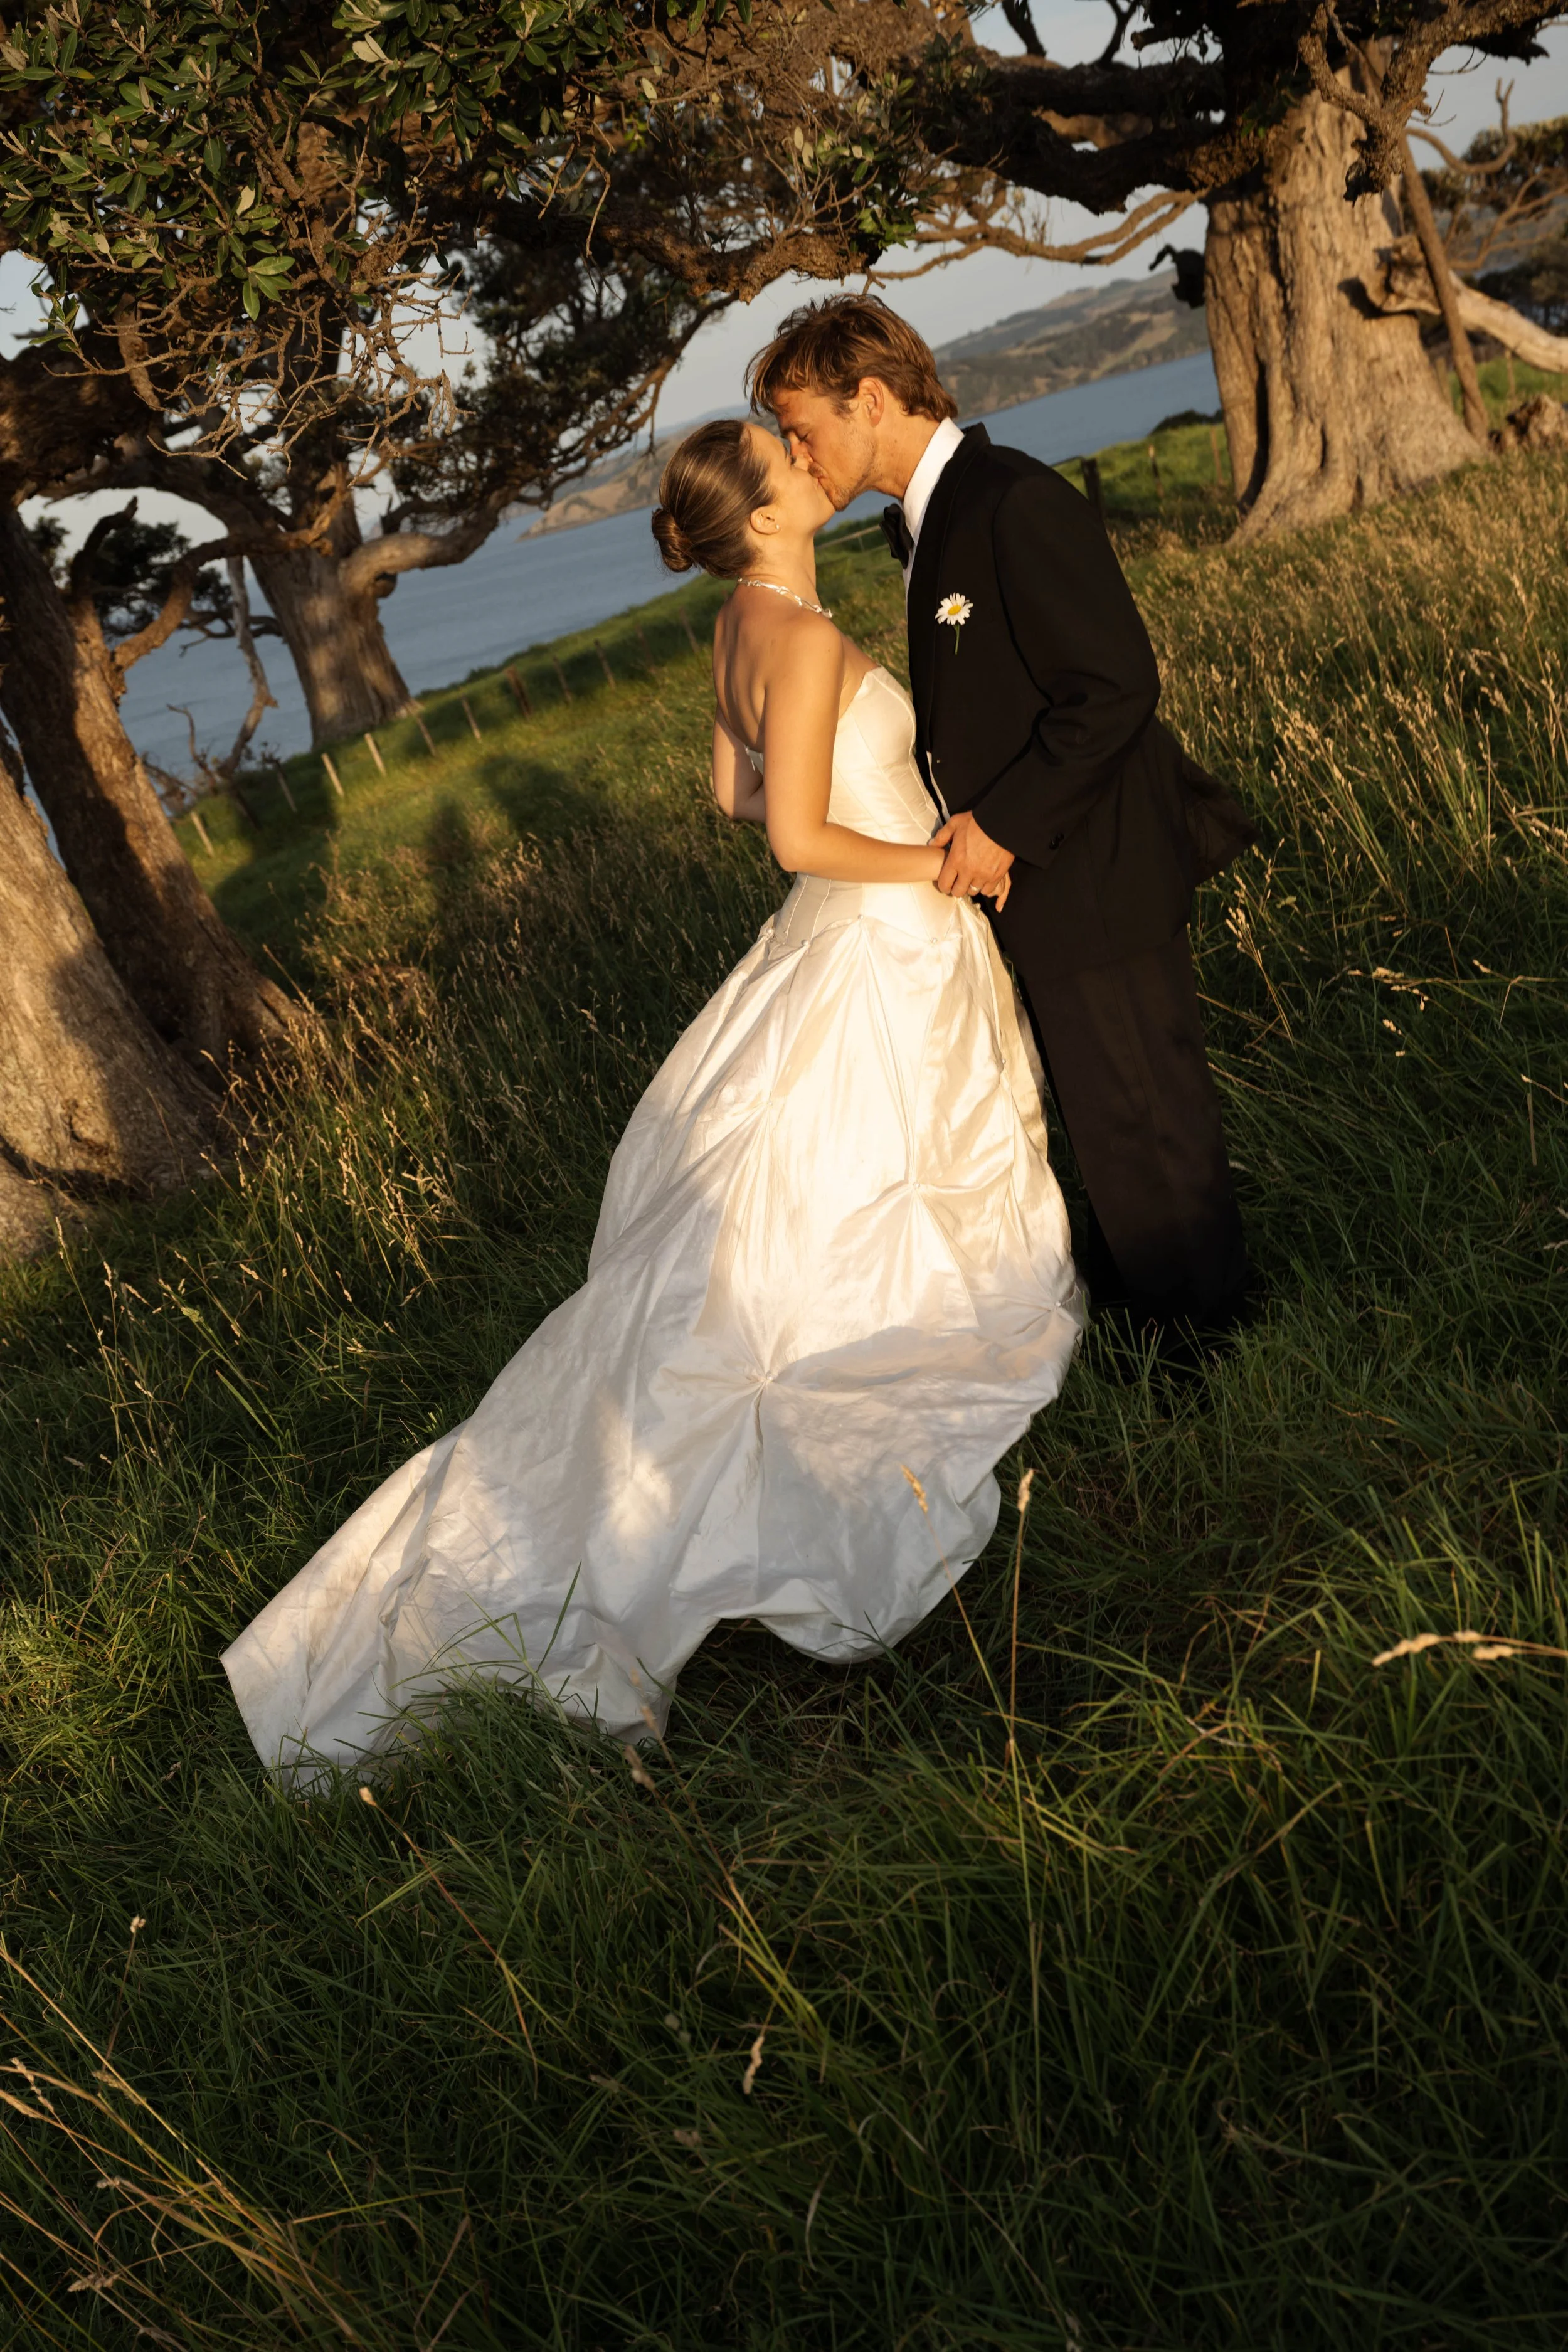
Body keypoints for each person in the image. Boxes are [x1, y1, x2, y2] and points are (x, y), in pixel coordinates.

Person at [222, 416, 1083, 1781]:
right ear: (763, 509)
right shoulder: (795, 637)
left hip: (825, 936)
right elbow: (792, 830)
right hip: (873, 938)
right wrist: (925, 858)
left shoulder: (745, 624)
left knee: (802, 1202)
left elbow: (726, 791)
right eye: (780, 452)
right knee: (858, 1192)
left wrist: (850, 826)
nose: (805, 452)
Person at [750, 295, 1257, 1345]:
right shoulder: (940, 521)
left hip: (1095, 862)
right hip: (1054, 878)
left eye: (805, 428)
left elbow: (1116, 685)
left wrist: (1004, 826)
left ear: (874, 398)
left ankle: (1211, 1343)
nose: (799, 454)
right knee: (1107, 1113)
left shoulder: (1012, 501)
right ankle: (1156, 1324)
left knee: (1145, 1110)